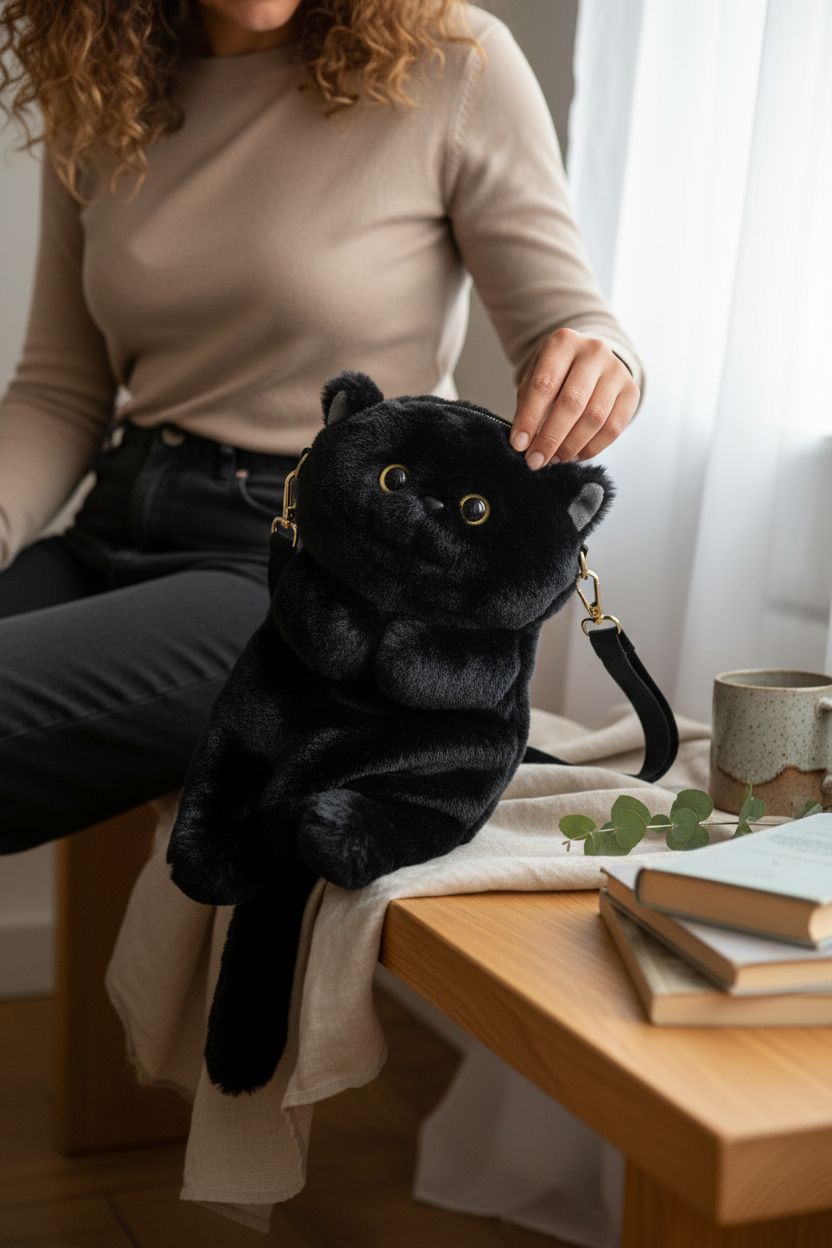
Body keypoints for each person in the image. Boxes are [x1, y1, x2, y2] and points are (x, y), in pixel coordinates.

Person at [0, 0, 644, 852]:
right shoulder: (99, 81)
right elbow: (59, 390)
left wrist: (603, 366)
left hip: (311, 559)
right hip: (114, 524)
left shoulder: (455, 61)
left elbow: (571, 321)